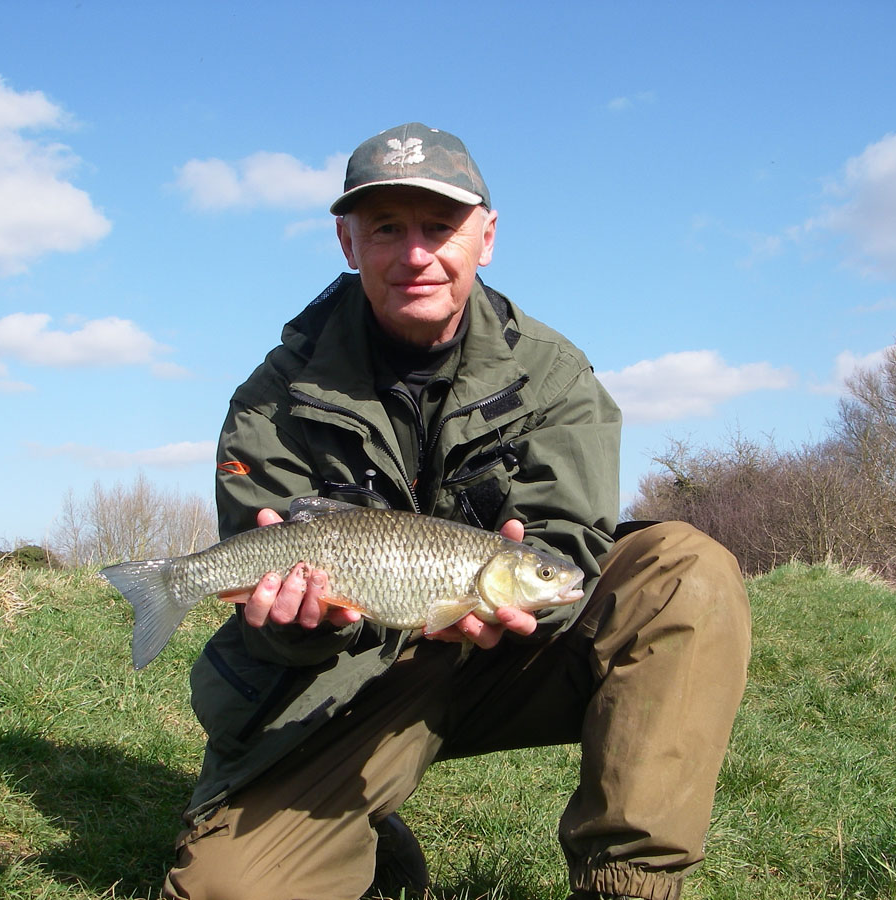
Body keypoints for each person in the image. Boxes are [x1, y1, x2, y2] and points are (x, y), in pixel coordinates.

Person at [163, 123, 752, 900]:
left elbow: (568, 549)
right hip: (342, 682)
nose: (416, 255)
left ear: (487, 237)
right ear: (347, 243)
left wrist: (529, 600)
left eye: (440, 227)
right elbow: (258, 573)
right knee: (228, 893)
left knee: (684, 570)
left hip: (505, 657)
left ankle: (626, 886)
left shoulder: (553, 375)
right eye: (386, 229)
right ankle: (362, 834)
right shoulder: (273, 398)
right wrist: (296, 624)